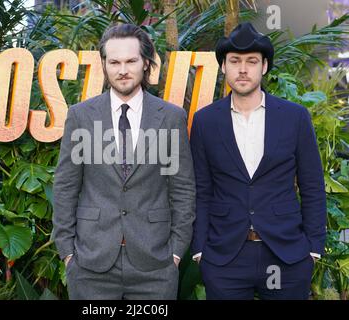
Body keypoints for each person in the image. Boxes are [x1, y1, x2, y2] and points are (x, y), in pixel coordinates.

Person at [52, 23, 196, 300]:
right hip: (90, 262)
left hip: (155, 263)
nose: (122, 70)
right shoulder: (81, 116)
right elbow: (66, 186)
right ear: (104, 65)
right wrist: (68, 253)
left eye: (131, 61)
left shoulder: (170, 116)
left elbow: (182, 188)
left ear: (146, 62)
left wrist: (176, 252)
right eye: (114, 62)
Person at [190, 22, 327, 300]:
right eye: (235, 61)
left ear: (264, 67)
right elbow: (201, 189)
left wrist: (313, 249)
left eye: (251, 61)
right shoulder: (206, 121)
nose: (243, 69)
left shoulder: (294, 117)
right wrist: (200, 249)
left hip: (286, 256)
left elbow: (312, 185)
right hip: (225, 258)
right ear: (223, 67)